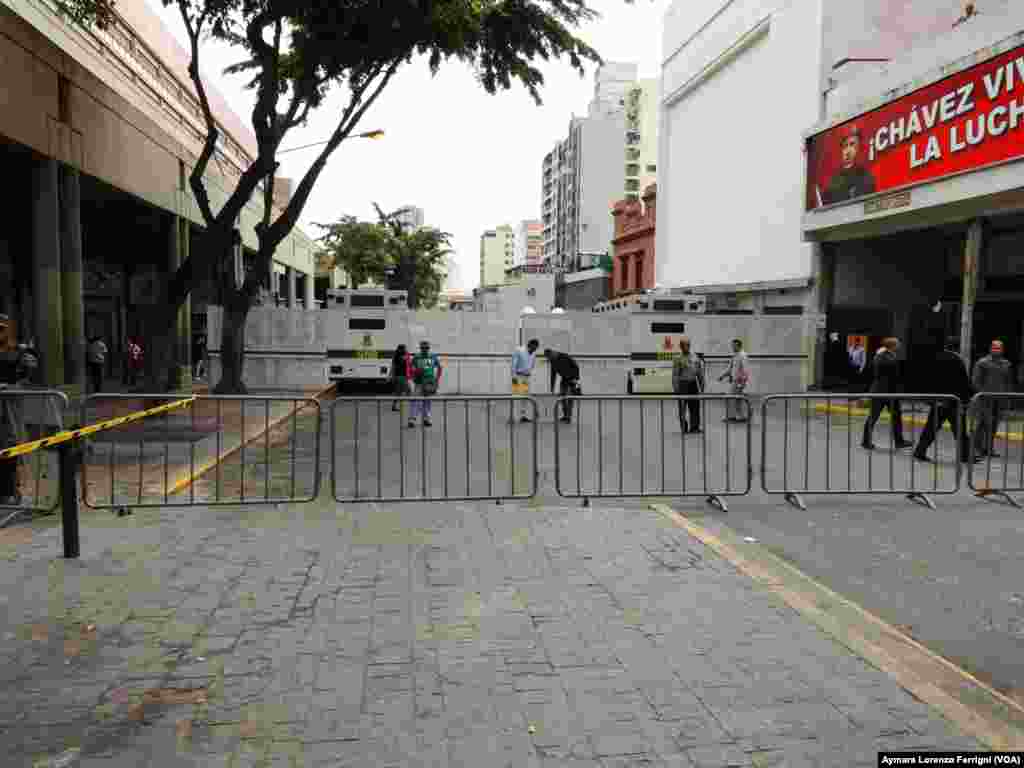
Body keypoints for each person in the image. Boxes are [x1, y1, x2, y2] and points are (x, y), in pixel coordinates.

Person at [913, 338, 972, 464]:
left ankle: (920, 451)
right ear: (957, 348)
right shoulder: (958, 360)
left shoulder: (935, 357)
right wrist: (966, 400)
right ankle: (965, 456)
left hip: (938, 401)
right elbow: (962, 382)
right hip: (953, 401)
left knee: (930, 428)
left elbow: (927, 378)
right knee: (960, 431)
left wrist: (929, 398)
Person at [861, 337, 913, 450]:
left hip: (889, 393)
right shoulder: (883, 357)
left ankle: (899, 441)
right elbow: (890, 371)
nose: (899, 345)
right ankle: (866, 441)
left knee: (896, 416)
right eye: (897, 344)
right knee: (873, 417)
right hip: (881, 392)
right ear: (891, 345)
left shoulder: (888, 355)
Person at [971, 340, 1015, 460]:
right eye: (995, 348)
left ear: (1003, 350)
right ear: (990, 349)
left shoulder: (1007, 364)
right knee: (983, 424)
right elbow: (976, 381)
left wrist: (1008, 397)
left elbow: (1008, 383)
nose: (997, 350)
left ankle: (988, 448)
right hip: (985, 399)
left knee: (994, 425)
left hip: (999, 400)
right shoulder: (982, 362)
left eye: (999, 348)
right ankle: (976, 449)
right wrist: (980, 394)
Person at [821, 125, 877, 205]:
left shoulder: (864, 175)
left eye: (852, 145)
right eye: (845, 146)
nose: (848, 150)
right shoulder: (834, 179)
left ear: (859, 148)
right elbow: (824, 203)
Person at [672, 336, 705, 433]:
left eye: (687, 345)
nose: (685, 347)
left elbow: (699, 373)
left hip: (693, 384)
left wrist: (702, 386)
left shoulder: (695, 357)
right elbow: (675, 375)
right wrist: (676, 388)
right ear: (680, 346)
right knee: (682, 407)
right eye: (683, 345)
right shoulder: (678, 358)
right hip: (683, 384)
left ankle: (694, 427)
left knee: (695, 406)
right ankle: (684, 427)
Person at [409, 340, 442, 428]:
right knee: (416, 400)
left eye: (426, 348)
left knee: (427, 401)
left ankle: (426, 419)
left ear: (429, 348)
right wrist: (413, 375)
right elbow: (410, 368)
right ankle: (412, 419)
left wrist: (436, 379)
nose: (425, 350)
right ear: (420, 348)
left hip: (429, 382)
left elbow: (439, 367)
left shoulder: (433, 357)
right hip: (419, 382)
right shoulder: (416, 357)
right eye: (423, 348)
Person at [545, 348, 581, 424]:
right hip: (564, 379)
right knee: (562, 397)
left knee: (570, 399)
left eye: (550, 357)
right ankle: (565, 416)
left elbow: (576, 366)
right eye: (548, 358)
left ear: (553, 353)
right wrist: (552, 387)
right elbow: (553, 374)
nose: (550, 359)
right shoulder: (552, 360)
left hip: (572, 379)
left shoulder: (565, 356)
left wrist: (576, 379)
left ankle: (569, 417)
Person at [719, 339, 750, 422]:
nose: (732, 347)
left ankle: (733, 416)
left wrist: (743, 381)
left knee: (729, 397)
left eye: (734, 345)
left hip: (739, 381)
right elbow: (730, 368)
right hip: (735, 381)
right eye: (732, 345)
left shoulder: (743, 355)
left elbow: (745, 369)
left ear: (739, 346)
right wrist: (722, 376)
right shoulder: (734, 355)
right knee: (737, 400)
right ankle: (739, 416)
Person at [511, 339, 540, 423]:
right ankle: (512, 416)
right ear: (530, 345)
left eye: (536, 349)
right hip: (517, 377)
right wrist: (514, 378)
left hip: (526, 378)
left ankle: (523, 416)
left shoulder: (534, 354)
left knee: (525, 397)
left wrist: (529, 372)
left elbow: (532, 364)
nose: (534, 350)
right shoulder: (519, 350)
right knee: (515, 396)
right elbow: (513, 364)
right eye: (534, 348)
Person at [390, 343, 412, 413]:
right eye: (404, 348)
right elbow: (393, 366)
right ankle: (413, 405)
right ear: (401, 349)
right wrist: (391, 375)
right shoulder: (399, 356)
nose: (406, 350)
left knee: (398, 392)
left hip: (401, 376)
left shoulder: (399, 355)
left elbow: (408, 365)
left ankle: (394, 406)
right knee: (408, 390)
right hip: (400, 376)